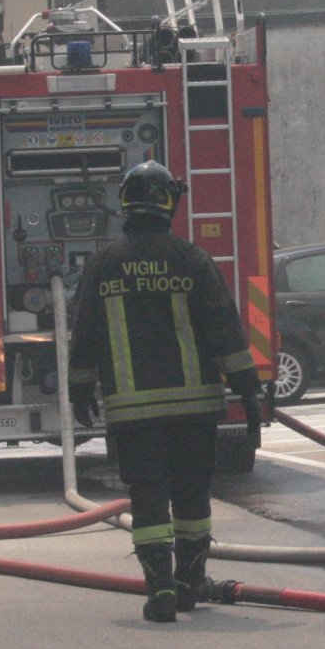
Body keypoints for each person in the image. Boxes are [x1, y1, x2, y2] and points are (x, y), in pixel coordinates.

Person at [68, 161, 263, 623]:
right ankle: (190, 582)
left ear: (125, 203)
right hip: (194, 409)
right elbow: (224, 328)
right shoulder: (190, 259)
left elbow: (85, 334)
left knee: (148, 499)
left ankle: (159, 591)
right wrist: (249, 390)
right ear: (168, 202)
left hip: (133, 412)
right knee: (192, 497)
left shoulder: (104, 263)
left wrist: (79, 391)